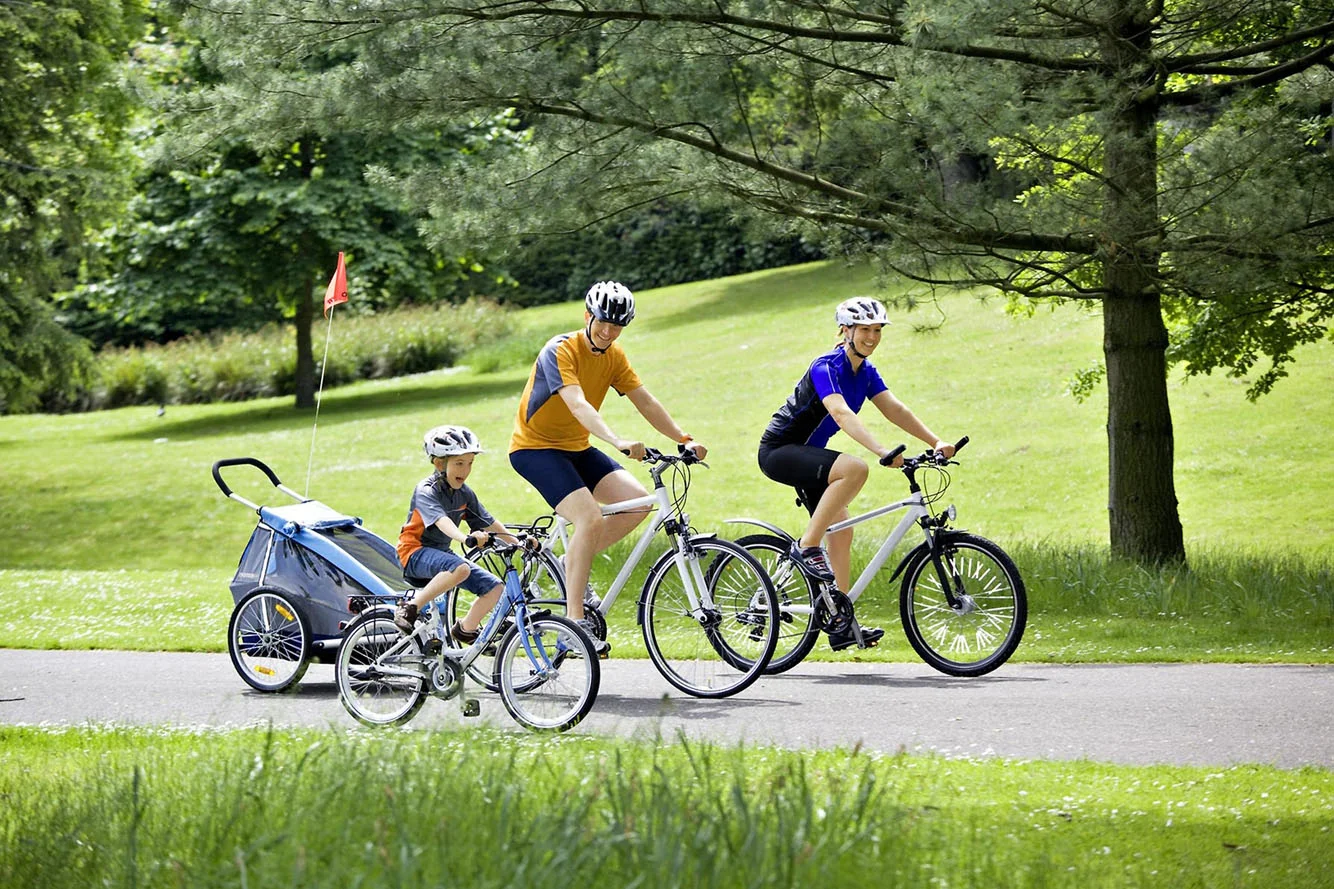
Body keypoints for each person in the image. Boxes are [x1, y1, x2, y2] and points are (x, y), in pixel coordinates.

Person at [509, 280, 706, 656]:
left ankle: (571, 563)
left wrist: (683, 438)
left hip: (576, 448)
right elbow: (578, 404)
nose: (608, 331)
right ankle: (572, 622)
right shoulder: (561, 350)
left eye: (617, 326)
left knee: (638, 503)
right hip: (535, 449)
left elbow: (644, 400)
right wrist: (616, 441)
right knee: (589, 518)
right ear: (588, 316)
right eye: (603, 322)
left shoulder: (614, 355)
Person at [758, 297, 956, 650]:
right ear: (845, 331)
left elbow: (895, 408)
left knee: (843, 530)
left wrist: (935, 440)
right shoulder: (826, 366)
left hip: (811, 457)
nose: (872, 337)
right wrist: (881, 451)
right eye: (864, 329)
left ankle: (839, 621)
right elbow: (840, 414)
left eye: (877, 330)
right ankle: (807, 547)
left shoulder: (865, 372)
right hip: (781, 452)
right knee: (855, 469)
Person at [393, 424, 521, 643]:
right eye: (459, 463)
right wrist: (465, 539)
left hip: (441, 556)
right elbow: (442, 522)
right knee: (460, 568)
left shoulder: (464, 493)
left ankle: (465, 629)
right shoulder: (426, 490)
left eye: (470, 463)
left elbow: (488, 522)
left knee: (495, 588)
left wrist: (519, 542)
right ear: (439, 463)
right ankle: (409, 608)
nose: (465, 470)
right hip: (413, 554)